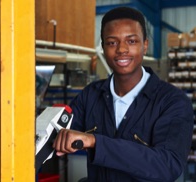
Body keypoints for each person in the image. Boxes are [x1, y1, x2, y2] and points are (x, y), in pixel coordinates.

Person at [52, 6, 194, 182]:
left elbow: (167, 165)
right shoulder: (90, 95)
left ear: (145, 45)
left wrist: (95, 142)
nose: (121, 49)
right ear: (103, 47)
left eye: (131, 41)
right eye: (112, 42)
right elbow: (57, 131)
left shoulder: (172, 102)